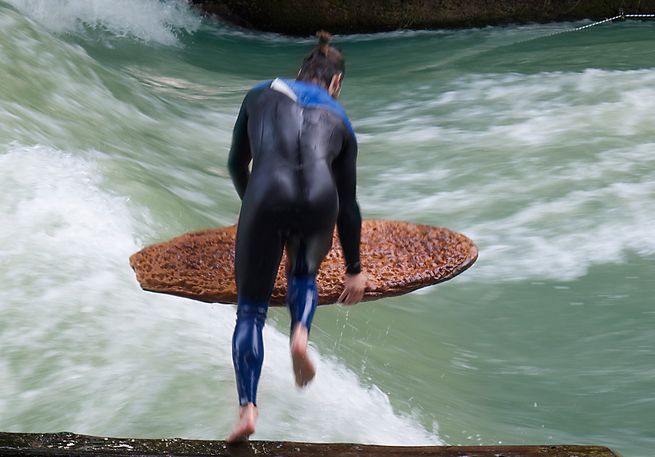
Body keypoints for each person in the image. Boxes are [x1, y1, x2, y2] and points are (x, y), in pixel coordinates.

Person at [226, 31, 367, 442]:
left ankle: (248, 410)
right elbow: (349, 205)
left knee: (250, 312)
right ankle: (300, 335)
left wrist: (253, 203)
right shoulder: (341, 121)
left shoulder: (259, 93)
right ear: (335, 83)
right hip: (320, 199)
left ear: (300, 71)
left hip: (267, 191)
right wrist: (354, 269)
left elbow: (237, 162)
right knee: (303, 275)